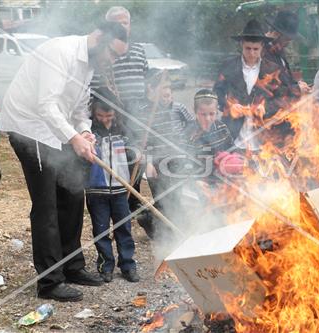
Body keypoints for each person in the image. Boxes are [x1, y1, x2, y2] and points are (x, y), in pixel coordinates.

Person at [0, 21, 129, 302]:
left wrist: (83, 131)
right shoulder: (61, 52)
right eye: (113, 54)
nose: (113, 61)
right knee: (47, 205)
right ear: (98, 37)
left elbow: (80, 108)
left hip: (59, 131)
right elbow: (47, 105)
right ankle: (50, 281)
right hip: (29, 127)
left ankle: (72, 266)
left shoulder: (90, 64)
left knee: (72, 194)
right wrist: (74, 138)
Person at [90, 6, 150, 232]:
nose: (122, 26)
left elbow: (144, 80)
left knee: (137, 161)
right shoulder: (103, 51)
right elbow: (94, 87)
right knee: (115, 165)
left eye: (125, 23)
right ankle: (120, 208)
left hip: (136, 115)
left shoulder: (138, 50)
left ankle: (132, 206)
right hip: (111, 116)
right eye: (117, 23)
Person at [214, 19, 293, 153]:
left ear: (262, 46)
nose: (251, 53)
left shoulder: (273, 69)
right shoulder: (228, 66)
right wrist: (230, 106)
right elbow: (217, 93)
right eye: (248, 48)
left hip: (264, 139)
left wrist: (265, 107)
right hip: (234, 135)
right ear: (241, 45)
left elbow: (284, 98)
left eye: (255, 49)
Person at [85, 87, 139, 283]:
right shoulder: (88, 130)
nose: (105, 119)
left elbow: (134, 153)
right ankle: (105, 265)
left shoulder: (123, 130)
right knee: (101, 229)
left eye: (109, 115)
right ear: (94, 112)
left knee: (123, 228)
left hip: (120, 187)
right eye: (101, 115)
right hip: (96, 189)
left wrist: (137, 154)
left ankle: (127, 265)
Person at [134, 71, 194, 237]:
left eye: (168, 91)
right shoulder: (144, 111)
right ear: (151, 89)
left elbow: (190, 127)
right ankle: (153, 225)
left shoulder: (175, 108)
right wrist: (148, 162)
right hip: (156, 162)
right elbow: (140, 140)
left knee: (175, 196)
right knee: (161, 199)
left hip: (175, 159)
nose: (166, 95)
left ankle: (175, 233)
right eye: (162, 89)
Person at [264, 10, 311, 96]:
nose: (287, 44)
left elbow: (285, 78)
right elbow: (269, 86)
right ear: (276, 34)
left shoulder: (279, 50)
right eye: (286, 40)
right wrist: (297, 89)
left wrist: (297, 83)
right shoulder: (261, 53)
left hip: (286, 106)